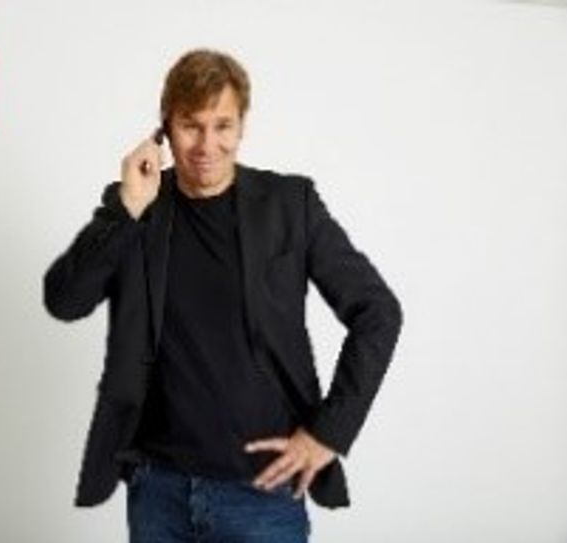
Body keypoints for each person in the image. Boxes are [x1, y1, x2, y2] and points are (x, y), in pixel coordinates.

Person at [43, 48, 402, 542]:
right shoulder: (138, 205)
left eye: (223, 126)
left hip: (263, 494)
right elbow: (65, 301)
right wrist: (127, 208)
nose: (206, 145)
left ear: (242, 126)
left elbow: (378, 312)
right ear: (165, 128)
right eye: (191, 126)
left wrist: (328, 432)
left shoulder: (290, 206)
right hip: (158, 492)